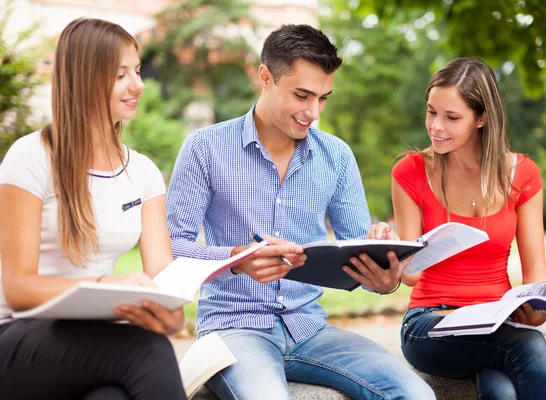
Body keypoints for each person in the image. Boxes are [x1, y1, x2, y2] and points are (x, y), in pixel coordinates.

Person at [166, 24, 434, 400]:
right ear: (265, 77)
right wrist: (235, 259)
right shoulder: (204, 148)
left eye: (323, 98)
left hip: (311, 328)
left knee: (417, 395)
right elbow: (171, 248)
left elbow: (356, 245)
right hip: (234, 328)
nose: (313, 112)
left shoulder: (336, 156)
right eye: (302, 95)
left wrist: (383, 274)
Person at [0, 18, 186, 399]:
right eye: (121, 75)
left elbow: (164, 279)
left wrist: (167, 315)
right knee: (147, 351)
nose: (138, 85)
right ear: (85, 79)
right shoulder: (31, 157)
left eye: (137, 71)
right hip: (13, 335)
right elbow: (18, 288)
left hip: (85, 339)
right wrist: (104, 284)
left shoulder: (144, 173)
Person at [391, 57, 546, 399]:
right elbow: (409, 275)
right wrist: (390, 251)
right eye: (431, 112)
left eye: (452, 117)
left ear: (482, 118)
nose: (436, 126)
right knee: (527, 346)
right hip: (429, 323)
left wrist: (537, 308)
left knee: (502, 391)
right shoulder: (410, 171)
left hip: (497, 322)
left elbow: (536, 269)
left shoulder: (522, 174)